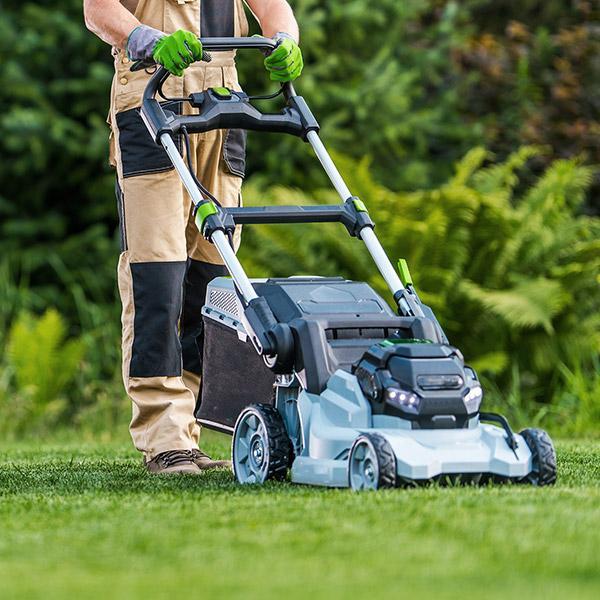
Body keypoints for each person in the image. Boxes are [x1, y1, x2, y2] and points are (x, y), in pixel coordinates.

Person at [83, 0, 303, 474]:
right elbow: (97, 9)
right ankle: (164, 436)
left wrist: (286, 39)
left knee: (213, 279)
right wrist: (145, 39)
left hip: (222, 103)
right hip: (151, 93)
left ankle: (190, 433)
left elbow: (273, 8)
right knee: (157, 274)